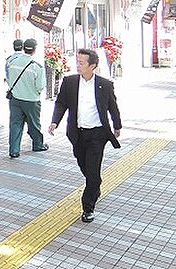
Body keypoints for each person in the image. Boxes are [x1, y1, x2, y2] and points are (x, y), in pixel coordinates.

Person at [48, 48, 122, 223]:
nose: (78, 65)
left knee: (93, 170)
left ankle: (88, 207)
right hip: (78, 134)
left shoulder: (105, 84)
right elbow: (61, 103)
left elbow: (112, 106)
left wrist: (117, 125)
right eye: (78, 62)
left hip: (97, 134)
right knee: (85, 166)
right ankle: (95, 184)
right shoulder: (70, 82)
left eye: (81, 63)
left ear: (92, 66)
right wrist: (55, 121)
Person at [6, 38, 48, 158]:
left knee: (15, 124)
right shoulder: (36, 66)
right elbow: (40, 86)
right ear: (34, 50)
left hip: (15, 99)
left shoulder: (12, 62)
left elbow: (8, 79)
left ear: (23, 48)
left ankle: (14, 150)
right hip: (31, 100)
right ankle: (38, 144)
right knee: (34, 124)